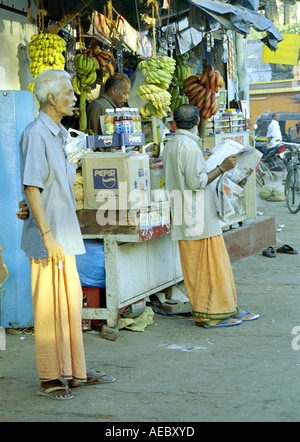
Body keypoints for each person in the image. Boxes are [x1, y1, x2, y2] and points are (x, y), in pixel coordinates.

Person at [19, 69, 115, 400]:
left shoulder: (57, 134)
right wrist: (46, 234)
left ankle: (73, 371)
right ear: (51, 98)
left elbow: (44, 187)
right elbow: (31, 185)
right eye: (69, 93)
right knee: (49, 310)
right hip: (50, 237)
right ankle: (50, 378)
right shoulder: (36, 134)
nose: (75, 98)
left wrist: (29, 206)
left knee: (70, 307)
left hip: (63, 232)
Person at [162, 104, 259, 328]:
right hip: (199, 216)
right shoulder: (188, 145)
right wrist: (222, 167)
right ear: (198, 122)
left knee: (199, 269)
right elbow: (197, 182)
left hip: (185, 214)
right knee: (211, 268)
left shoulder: (172, 144)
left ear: (173, 123)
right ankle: (213, 315)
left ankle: (223, 310)